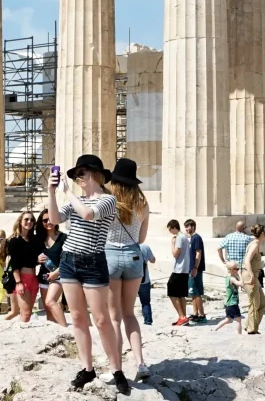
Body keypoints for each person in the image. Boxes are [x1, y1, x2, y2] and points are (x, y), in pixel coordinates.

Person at [46, 155, 128, 394]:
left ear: (94, 174)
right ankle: (87, 368)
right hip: (69, 260)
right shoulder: (77, 200)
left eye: (80, 173)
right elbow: (54, 219)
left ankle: (116, 369)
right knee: (78, 317)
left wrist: (66, 192)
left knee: (101, 319)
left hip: (93, 261)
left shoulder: (108, 200)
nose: (77, 178)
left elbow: (88, 214)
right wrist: (51, 192)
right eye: (75, 176)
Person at [106, 157, 151, 380]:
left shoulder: (108, 202)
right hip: (134, 256)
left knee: (113, 317)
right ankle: (140, 363)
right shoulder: (142, 204)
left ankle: (117, 368)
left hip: (110, 256)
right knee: (129, 314)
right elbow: (141, 238)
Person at [5, 211, 42, 322]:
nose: (29, 222)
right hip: (22, 279)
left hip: (33, 278)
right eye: (26, 219)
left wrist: (37, 260)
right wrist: (18, 282)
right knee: (26, 314)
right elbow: (14, 263)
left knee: (27, 314)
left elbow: (31, 259)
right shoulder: (14, 241)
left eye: (32, 220)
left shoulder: (34, 240)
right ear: (20, 221)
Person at [37, 212, 68, 327]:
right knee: (48, 311)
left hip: (59, 275)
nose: (48, 222)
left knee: (50, 301)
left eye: (51, 219)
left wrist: (56, 272)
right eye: (45, 220)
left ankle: (66, 330)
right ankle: (55, 334)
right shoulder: (39, 239)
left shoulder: (63, 238)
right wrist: (37, 260)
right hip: (44, 277)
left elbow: (68, 259)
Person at [242, 224, 265, 335]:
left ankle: (249, 325)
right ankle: (251, 329)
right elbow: (247, 260)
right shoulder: (254, 245)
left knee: (262, 302)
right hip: (250, 275)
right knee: (254, 302)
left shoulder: (255, 243)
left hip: (254, 275)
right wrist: (251, 275)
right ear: (262, 234)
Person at [167, 219, 192, 326]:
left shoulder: (179, 237)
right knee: (181, 295)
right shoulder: (185, 237)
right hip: (184, 269)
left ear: (173, 228)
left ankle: (182, 316)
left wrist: (172, 243)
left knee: (172, 292)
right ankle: (183, 317)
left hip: (179, 269)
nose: (170, 232)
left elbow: (175, 253)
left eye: (170, 230)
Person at [185, 219, 207, 323]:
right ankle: (195, 313)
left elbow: (198, 253)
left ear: (193, 226)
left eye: (188, 226)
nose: (186, 229)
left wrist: (195, 268)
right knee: (192, 292)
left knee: (197, 292)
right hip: (191, 268)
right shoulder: (191, 238)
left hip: (195, 269)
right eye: (185, 227)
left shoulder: (197, 238)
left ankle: (202, 315)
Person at [214, 261, 245, 334]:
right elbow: (241, 284)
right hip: (232, 303)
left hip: (229, 303)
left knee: (228, 319)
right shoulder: (231, 278)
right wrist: (240, 275)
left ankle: (215, 329)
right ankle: (239, 334)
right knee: (238, 319)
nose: (238, 270)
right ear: (231, 270)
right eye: (236, 269)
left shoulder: (229, 277)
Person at [138, 241, 156, 326]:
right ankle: (148, 320)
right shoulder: (145, 247)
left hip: (129, 279)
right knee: (145, 302)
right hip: (144, 279)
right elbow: (153, 260)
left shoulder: (128, 246)